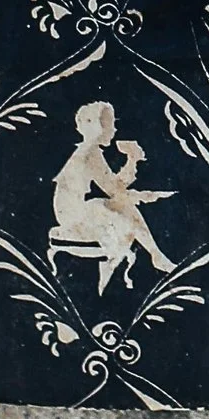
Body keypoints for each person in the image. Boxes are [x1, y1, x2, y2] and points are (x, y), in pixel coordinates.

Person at [47, 101, 173, 292]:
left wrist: (132, 165)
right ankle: (155, 255)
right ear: (98, 127)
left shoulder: (88, 151)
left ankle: (155, 256)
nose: (113, 130)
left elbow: (114, 186)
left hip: (74, 210)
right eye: (110, 124)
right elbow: (115, 189)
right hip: (74, 215)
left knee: (122, 206)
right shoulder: (90, 153)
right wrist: (132, 161)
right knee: (122, 208)